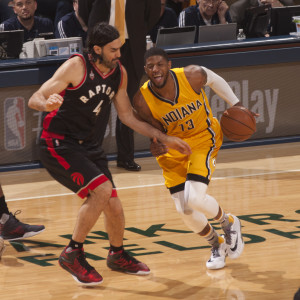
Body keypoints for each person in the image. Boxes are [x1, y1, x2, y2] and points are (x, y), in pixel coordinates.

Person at [28, 23, 191, 285]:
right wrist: (45, 104)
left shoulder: (119, 73)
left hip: (90, 146)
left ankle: (116, 255)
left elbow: (127, 116)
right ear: (97, 49)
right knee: (101, 192)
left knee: (114, 207)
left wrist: (164, 137)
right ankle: (73, 253)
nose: (119, 54)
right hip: (59, 144)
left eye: (120, 48)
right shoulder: (77, 66)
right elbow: (34, 97)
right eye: (113, 49)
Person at [133, 47, 259, 270]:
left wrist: (236, 104)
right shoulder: (142, 100)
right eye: (150, 66)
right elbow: (155, 131)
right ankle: (217, 244)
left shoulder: (190, 75)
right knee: (185, 210)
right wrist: (156, 145)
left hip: (202, 139)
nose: (156, 70)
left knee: (194, 198)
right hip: (174, 149)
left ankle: (228, 222)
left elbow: (214, 79)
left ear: (169, 64)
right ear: (145, 70)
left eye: (160, 64)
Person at [78, 0, 161, 171]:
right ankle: (94, 158)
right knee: (100, 101)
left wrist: (137, 29)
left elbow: (152, 13)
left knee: (128, 105)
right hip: (102, 48)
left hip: (132, 46)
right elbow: (84, 10)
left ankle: (126, 157)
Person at [229, 0, 294, 31]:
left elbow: (294, 29)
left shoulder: (286, 3)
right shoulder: (238, 8)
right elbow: (235, 35)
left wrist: (280, 10)